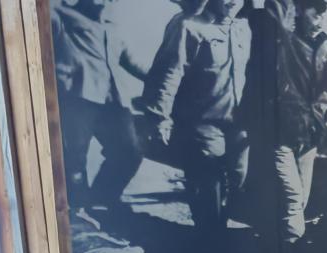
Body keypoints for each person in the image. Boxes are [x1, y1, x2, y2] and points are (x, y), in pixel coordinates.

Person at [242, 0, 327, 246]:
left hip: (308, 136)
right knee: (292, 199)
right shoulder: (279, 37)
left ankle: (274, 244)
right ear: (297, 9)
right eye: (316, 13)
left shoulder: (319, 48)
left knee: (300, 201)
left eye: (323, 14)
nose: (320, 19)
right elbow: (275, 12)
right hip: (279, 134)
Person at [136, 0, 252, 231]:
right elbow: (168, 73)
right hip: (201, 121)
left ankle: (219, 228)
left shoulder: (244, 27)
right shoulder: (188, 25)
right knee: (208, 181)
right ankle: (210, 237)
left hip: (238, 123)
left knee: (239, 178)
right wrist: (160, 117)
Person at [51, 0, 144, 213]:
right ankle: (78, 213)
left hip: (113, 101)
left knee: (130, 152)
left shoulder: (112, 27)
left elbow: (132, 62)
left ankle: (102, 199)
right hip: (78, 98)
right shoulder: (61, 16)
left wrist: (161, 75)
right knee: (74, 159)